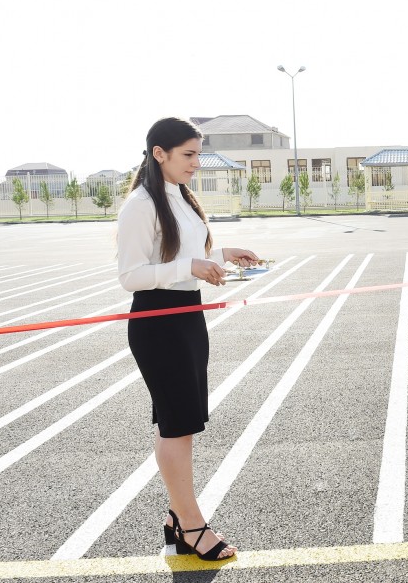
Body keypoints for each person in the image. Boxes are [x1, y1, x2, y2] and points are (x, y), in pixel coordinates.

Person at [117, 117, 259, 560]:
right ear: (159, 153)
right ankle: (192, 525)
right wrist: (191, 267)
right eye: (189, 155)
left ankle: (177, 519)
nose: (197, 163)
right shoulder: (140, 204)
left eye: (198, 153)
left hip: (187, 317)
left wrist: (220, 254)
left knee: (184, 422)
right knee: (176, 424)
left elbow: (181, 257)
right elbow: (130, 276)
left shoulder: (180, 195)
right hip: (158, 323)